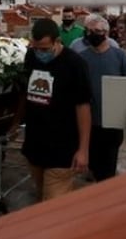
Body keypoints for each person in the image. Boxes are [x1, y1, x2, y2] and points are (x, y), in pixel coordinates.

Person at [12, 18, 92, 200]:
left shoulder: (75, 65)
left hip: (62, 150)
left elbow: (83, 106)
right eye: (36, 48)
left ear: (57, 42)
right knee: (41, 198)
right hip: (35, 145)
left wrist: (83, 150)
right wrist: (16, 122)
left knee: (54, 206)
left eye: (45, 49)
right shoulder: (31, 57)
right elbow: (25, 93)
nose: (40, 53)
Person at [77, 15, 126, 181]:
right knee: (94, 165)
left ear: (106, 33)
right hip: (90, 120)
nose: (93, 34)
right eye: (90, 31)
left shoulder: (120, 56)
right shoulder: (82, 58)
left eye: (98, 31)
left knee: (108, 167)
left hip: (112, 120)